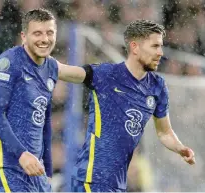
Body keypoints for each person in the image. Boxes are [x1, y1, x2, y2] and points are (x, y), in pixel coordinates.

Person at [57, 20, 196, 192]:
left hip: (119, 184)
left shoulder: (157, 87)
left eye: (161, 46)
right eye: (154, 46)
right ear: (135, 47)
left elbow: (164, 132)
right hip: (91, 178)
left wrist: (180, 147)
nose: (160, 52)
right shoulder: (106, 74)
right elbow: (64, 71)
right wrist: (34, 55)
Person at [0, 8, 58, 192]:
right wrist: (21, 154)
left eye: (50, 32)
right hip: (8, 168)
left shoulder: (51, 67)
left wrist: (48, 170)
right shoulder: (9, 62)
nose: (45, 39)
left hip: (36, 173)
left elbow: (45, 122)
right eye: (37, 33)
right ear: (24, 36)